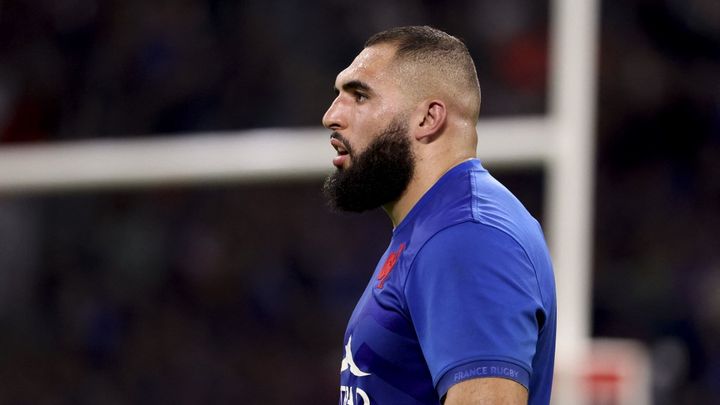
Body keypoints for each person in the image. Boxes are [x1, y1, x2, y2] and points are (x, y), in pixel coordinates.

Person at [322, 26, 556, 405]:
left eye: (359, 96)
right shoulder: (433, 231)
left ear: (429, 118)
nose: (331, 116)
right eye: (338, 96)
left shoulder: (468, 237)